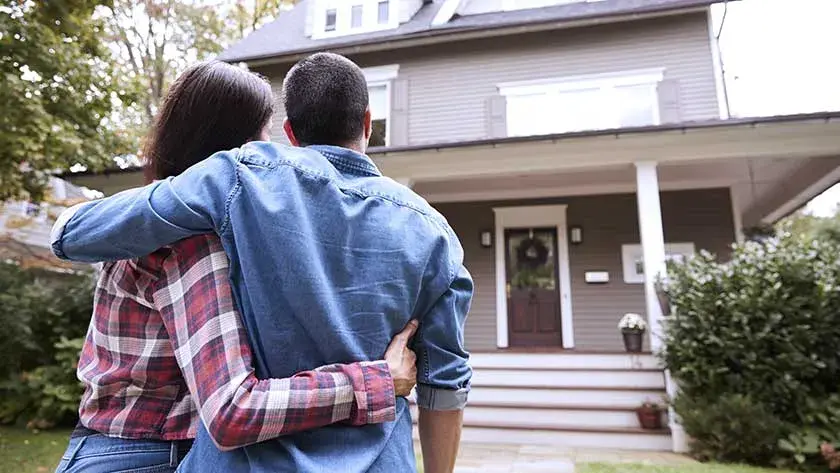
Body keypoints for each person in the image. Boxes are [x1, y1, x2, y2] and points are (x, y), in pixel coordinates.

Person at [52, 52, 473, 473]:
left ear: (290, 132)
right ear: (367, 123)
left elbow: (72, 236)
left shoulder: (238, 182)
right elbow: (446, 384)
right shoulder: (435, 233)